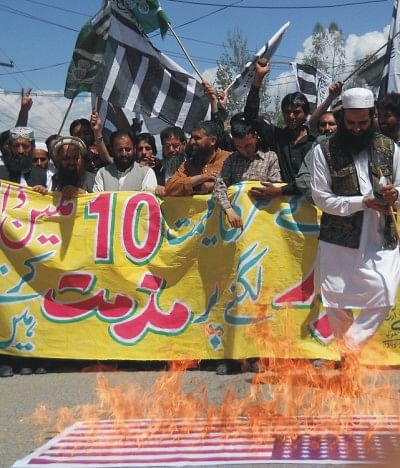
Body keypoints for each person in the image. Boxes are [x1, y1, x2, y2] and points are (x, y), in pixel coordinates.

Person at [311, 87, 400, 353]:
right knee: (336, 300)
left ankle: (349, 348)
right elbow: (321, 198)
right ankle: (349, 362)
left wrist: (395, 194)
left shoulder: (390, 148)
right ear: (342, 119)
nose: (357, 129)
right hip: (339, 238)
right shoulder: (324, 150)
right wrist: (362, 202)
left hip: (380, 236)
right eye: (351, 123)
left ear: (373, 117)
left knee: (384, 292)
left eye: (363, 122)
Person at [243, 59, 314, 199]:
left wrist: (280, 192)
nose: (291, 116)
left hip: (309, 205)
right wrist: (258, 79)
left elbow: (311, 180)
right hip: (280, 206)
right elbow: (250, 116)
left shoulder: (315, 144)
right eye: (287, 112)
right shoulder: (277, 137)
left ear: (306, 114)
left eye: (296, 112)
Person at [213, 116, 281, 229]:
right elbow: (219, 185)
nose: (244, 150)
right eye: (239, 146)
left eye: (248, 145)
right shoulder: (231, 160)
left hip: (263, 219)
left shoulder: (270, 157)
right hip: (236, 220)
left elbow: (275, 186)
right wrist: (229, 210)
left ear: (255, 137)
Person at [165, 121, 230, 196]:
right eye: (191, 138)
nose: (191, 142)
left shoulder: (229, 158)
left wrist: (213, 185)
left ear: (212, 141)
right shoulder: (188, 164)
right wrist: (201, 178)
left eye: (197, 138)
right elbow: (169, 187)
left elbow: (237, 182)